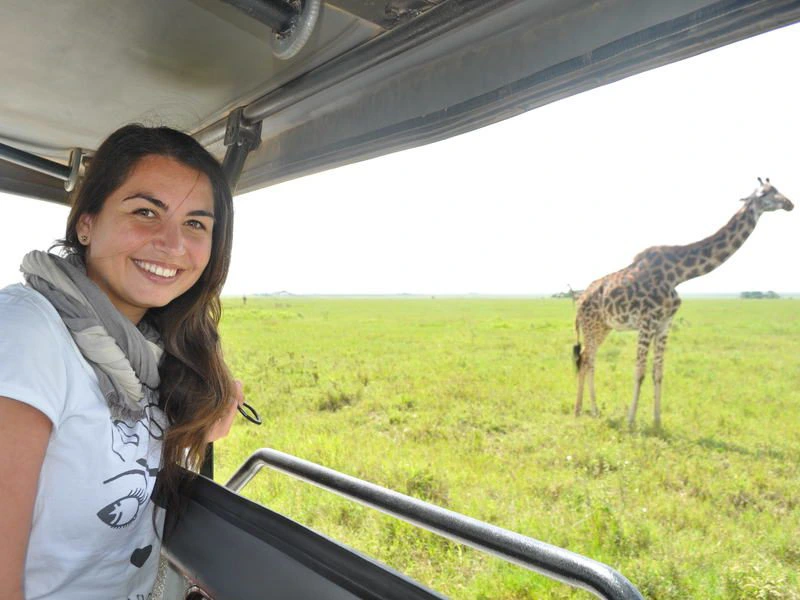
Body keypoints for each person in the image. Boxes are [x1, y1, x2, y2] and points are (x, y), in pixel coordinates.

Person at [0, 124, 244, 599]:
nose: (172, 244)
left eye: (195, 223)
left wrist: (211, 392)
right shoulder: (29, 330)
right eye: (146, 211)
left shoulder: (149, 350)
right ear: (86, 223)